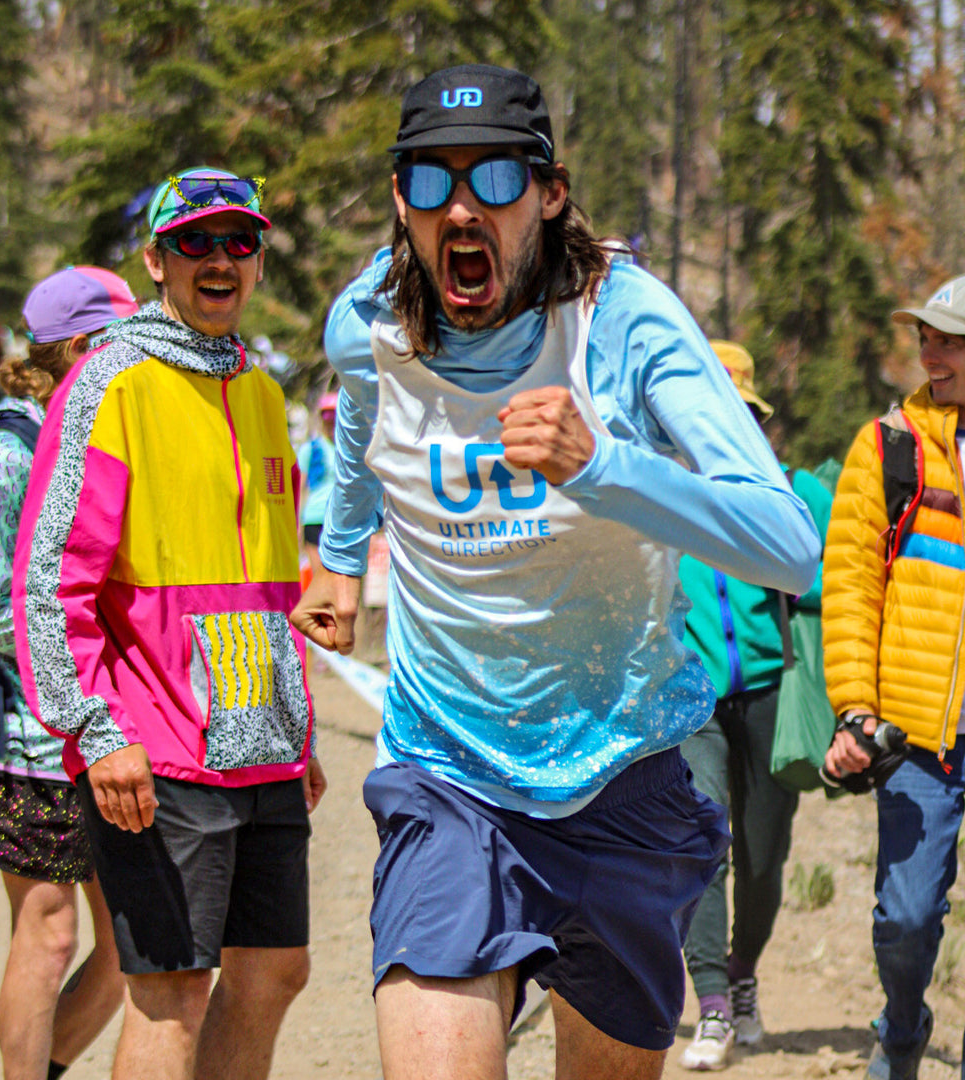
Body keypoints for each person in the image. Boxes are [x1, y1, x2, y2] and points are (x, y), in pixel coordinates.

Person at [291, 63, 822, 1080]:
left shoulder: (623, 319)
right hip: (447, 770)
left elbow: (786, 543)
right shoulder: (366, 320)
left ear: (549, 191)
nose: (461, 208)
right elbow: (362, 418)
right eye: (431, 181)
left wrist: (605, 468)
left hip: (620, 776)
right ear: (399, 198)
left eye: (493, 180)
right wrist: (342, 556)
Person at [12, 167, 326, 1080]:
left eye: (239, 241)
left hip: (260, 741)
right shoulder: (111, 381)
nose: (220, 258)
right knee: (172, 988)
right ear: (156, 259)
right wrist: (96, 730)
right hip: (152, 750)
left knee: (274, 972)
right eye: (195, 241)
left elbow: (270, 590)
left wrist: (295, 724)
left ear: (259, 259)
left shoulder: (264, 393)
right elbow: (47, 583)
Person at [0, 265, 138, 1080]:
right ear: (76, 347)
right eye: (120, 341)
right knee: (52, 930)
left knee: (132, 943)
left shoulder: (101, 433)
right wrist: (77, 632)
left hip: (102, 733)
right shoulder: (8, 447)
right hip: (15, 739)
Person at [676, 341, 834, 1071]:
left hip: (773, 694)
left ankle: (742, 975)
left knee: (764, 859)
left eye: (738, 414)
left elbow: (844, 576)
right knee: (704, 841)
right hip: (691, 702)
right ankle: (710, 1003)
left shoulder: (794, 493)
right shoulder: (662, 496)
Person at [822, 275, 965, 1080]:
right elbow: (848, 584)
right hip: (917, 735)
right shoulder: (890, 446)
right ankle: (903, 1029)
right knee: (907, 919)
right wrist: (855, 709)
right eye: (927, 337)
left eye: (948, 339)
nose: (929, 353)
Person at [297, 389, 339, 582]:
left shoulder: (349, 450)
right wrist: (296, 525)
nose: (331, 420)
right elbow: (301, 488)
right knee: (319, 578)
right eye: (327, 415)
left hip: (341, 520)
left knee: (338, 578)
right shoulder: (310, 449)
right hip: (314, 518)